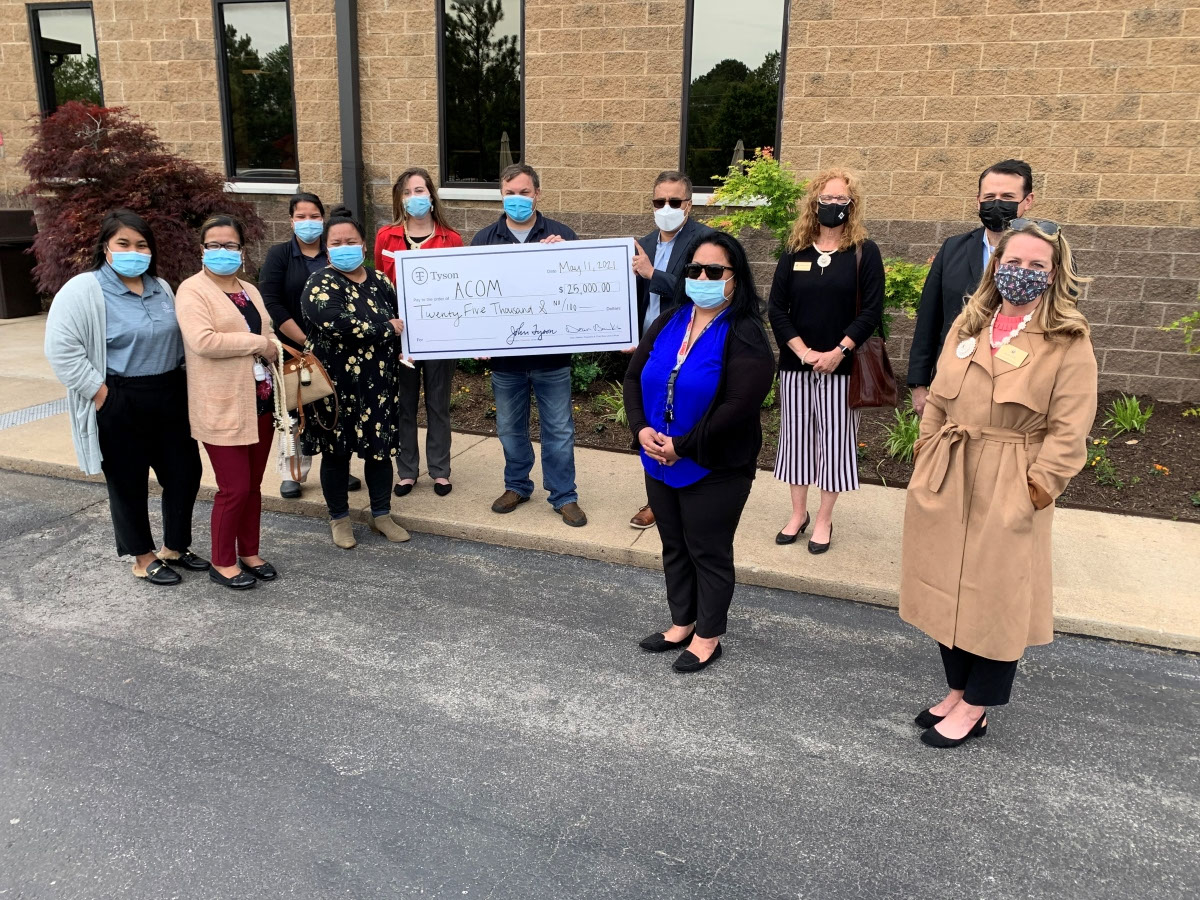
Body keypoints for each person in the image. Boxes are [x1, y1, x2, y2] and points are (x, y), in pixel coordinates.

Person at [899, 219, 1097, 748]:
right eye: (1013, 263)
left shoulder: (1067, 339)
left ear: (1056, 274)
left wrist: (1036, 488)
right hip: (950, 467)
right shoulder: (969, 326)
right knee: (946, 584)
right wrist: (925, 450)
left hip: (1012, 472)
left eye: (1037, 265)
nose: (1022, 273)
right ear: (995, 265)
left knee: (996, 595)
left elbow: (1070, 429)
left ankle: (978, 706)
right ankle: (957, 689)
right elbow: (937, 400)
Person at [625, 232, 774, 672]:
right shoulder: (670, 320)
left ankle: (709, 636)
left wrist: (682, 445)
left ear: (735, 278)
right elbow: (635, 378)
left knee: (707, 550)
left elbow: (739, 406)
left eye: (715, 271)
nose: (702, 277)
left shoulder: (745, 332)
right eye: (694, 270)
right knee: (673, 543)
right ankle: (682, 622)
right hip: (658, 457)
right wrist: (642, 430)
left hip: (715, 465)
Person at [44, 208, 207, 585]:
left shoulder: (161, 287)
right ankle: (142, 556)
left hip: (168, 393)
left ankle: (175, 547)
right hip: (120, 396)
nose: (135, 251)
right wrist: (100, 394)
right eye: (124, 243)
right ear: (106, 247)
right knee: (128, 481)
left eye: (142, 244)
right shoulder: (84, 290)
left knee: (185, 474)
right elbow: (62, 349)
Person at [767, 169, 883, 553]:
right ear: (814, 202)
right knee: (796, 442)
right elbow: (776, 309)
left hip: (841, 368)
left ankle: (824, 519)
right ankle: (798, 514)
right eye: (827, 198)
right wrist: (803, 352)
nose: (833, 205)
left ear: (852, 204)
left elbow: (871, 311)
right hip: (795, 366)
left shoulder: (864, 252)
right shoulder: (795, 249)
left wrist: (838, 352)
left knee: (835, 443)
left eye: (841, 199)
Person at [470, 163, 587, 527]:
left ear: (537, 193)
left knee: (559, 428)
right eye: (509, 193)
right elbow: (473, 300)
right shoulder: (484, 239)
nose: (516, 199)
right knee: (509, 428)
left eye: (524, 192)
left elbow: (581, 288)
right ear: (500, 195)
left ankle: (564, 495)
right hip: (506, 361)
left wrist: (566, 256)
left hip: (552, 358)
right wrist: (476, 338)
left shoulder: (561, 235)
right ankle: (517, 485)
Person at [175, 215, 278, 591]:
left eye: (230, 245)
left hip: (260, 404)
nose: (223, 251)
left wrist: (268, 345)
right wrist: (257, 344)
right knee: (233, 488)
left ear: (242, 250)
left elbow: (268, 332)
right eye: (214, 245)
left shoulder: (249, 289)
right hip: (221, 404)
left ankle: (249, 552)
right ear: (202, 250)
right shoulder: (192, 290)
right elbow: (203, 340)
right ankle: (222, 561)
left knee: (252, 486)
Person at [301, 206, 411, 549]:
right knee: (336, 454)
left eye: (351, 240)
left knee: (379, 452)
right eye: (337, 241)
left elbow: (403, 320)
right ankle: (339, 519)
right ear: (327, 247)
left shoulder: (380, 281)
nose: (344, 246)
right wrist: (384, 329)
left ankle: (381, 515)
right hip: (335, 387)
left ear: (364, 245)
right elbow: (335, 323)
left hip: (377, 385)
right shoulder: (320, 282)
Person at [907, 159, 1036, 417]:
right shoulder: (952, 249)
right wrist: (918, 384)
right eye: (990, 196)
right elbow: (929, 319)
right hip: (955, 378)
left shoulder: (1045, 257)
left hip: (1016, 386)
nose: (996, 203)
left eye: (1008, 196)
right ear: (978, 200)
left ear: (1027, 201)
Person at [259, 191, 361, 499]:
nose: (308, 222)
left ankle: (338, 469)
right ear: (291, 220)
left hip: (338, 348)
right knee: (294, 411)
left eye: (315, 216)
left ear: (324, 218)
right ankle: (294, 472)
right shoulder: (280, 255)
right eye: (301, 216)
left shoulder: (335, 252)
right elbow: (273, 304)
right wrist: (306, 341)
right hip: (295, 348)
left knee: (334, 410)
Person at [627, 170, 714, 531]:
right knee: (650, 422)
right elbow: (630, 298)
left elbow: (698, 291)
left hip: (685, 348)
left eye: (674, 202)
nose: (666, 207)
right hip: (647, 348)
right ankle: (658, 493)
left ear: (688, 205)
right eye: (658, 201)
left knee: (679, 420)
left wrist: (652, 274)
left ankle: (676, 495)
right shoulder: (641, 242)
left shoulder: (704, 242)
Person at [375, 167, 464, 499]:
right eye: (409, 191)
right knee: (404, 405)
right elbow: (381, 289)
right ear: (401, 198)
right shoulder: (387, 237)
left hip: (440, 337)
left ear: (431, 196)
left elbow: (459, 289)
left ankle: (440, 471)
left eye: (421, 190)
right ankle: (407, 471)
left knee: (438, 404)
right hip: (400, 338)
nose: (416, 197)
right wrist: (389, 326)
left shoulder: (450, 239)